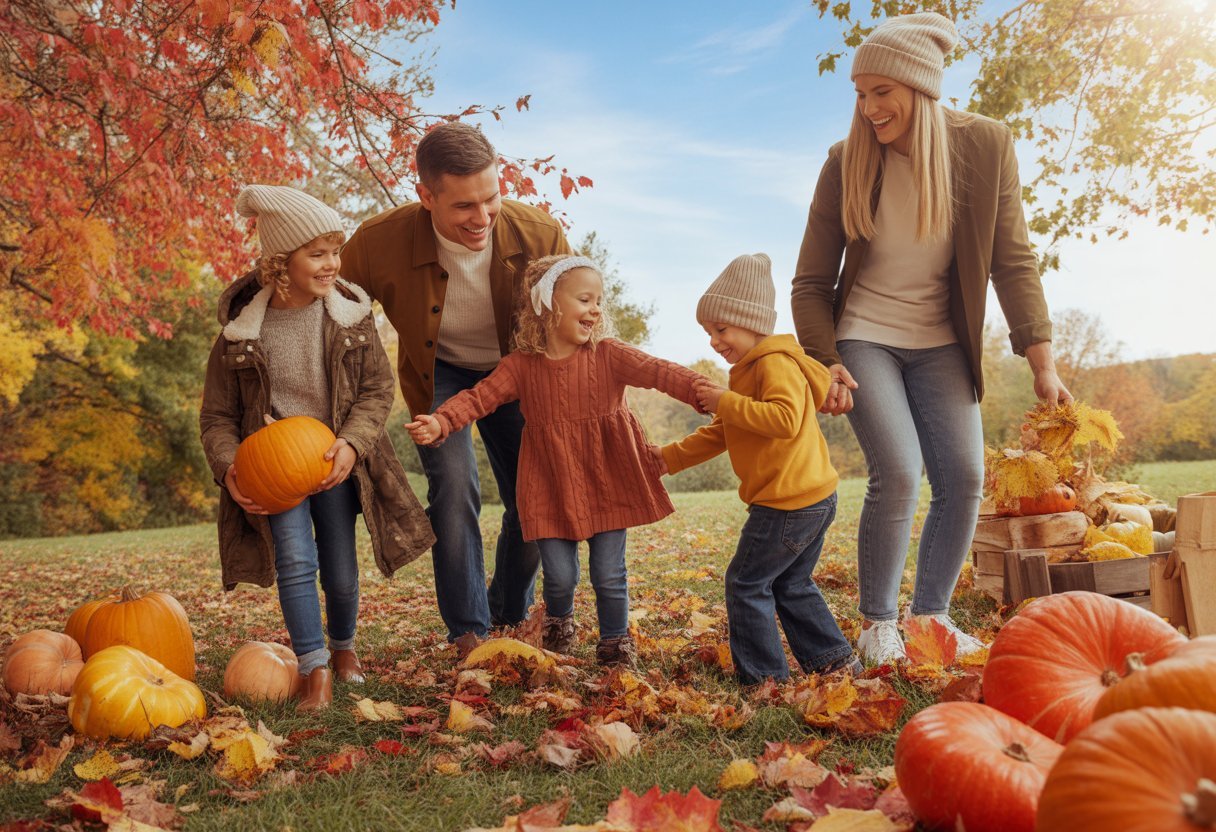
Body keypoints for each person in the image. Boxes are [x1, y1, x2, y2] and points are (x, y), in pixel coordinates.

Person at [791, 13, 1072, 664]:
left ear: (919, 88)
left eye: (880, 92)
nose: (867, 109)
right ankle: (878, 626)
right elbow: (810, 282)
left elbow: (1014, 260)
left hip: (941, 339)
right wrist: (826, 360)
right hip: (864, 336)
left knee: (965, 476)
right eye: (859, 95)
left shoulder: (985, 145)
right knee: (897, 470)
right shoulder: (845, 163)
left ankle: (930, 620)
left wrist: (1042, 361)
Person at [200, 185, 435, 711]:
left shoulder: (350, 317)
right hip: (272, 467)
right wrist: (229, 468)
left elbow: (377, 390)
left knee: (340, 567)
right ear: (281, 261)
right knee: (295, 560)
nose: (333, 263)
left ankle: (345, 648)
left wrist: (353, 442)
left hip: (334, 460)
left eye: (336, 250)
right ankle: (314, 670)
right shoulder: (239, 334)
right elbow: (216, 416)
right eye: (318, 253)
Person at [407, 254, 706, 666]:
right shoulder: (521, 367)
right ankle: (558, 622)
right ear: (548, 305)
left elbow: (661, 372)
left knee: (608, 573)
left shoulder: (609, 354)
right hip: (549, 483)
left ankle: (616, 645)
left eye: (599, 300)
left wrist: (706, 393)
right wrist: (443, 421)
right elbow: (481, 397)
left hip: (607, 478)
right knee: (561, 577)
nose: (596, 308)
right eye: (585, 299)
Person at [341, 123, 572, 652]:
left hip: (518, 372)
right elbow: (333, 315)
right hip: (440, 373)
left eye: (491, 198)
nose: (482, 217)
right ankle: (468, 631)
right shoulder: (379, 243)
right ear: (426, 196)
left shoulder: (540, 235)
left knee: (534, 497)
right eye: (464, 206)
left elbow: (575, 316)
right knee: (454, 489)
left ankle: (508, 613)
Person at [656, 254, 862, 685]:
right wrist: (668, 458)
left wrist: (725, 401)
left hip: (787, 502)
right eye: (709, 332)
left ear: (750, 322)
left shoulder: (774, 364)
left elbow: (784, 420)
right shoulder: (751, 370)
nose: (714, 341)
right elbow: (724, 431)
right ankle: (835, 662)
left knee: (746, 584)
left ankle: (765, 681)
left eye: (721, 329)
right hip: (811, 498)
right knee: (791, 584)